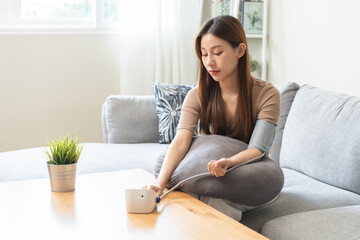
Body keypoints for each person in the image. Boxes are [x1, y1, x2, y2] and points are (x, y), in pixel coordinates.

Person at [144, 15, 280, 221]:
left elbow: (258, 149)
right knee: (183, 200)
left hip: (245, 177)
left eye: (217, 53)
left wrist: (229, 162)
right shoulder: (198, 94)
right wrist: (159, 184)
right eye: (204, 54)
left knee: (213, 203)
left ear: (240, 50)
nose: (209, 62)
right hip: (207, 177)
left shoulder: (267, 94)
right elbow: (181, 141)